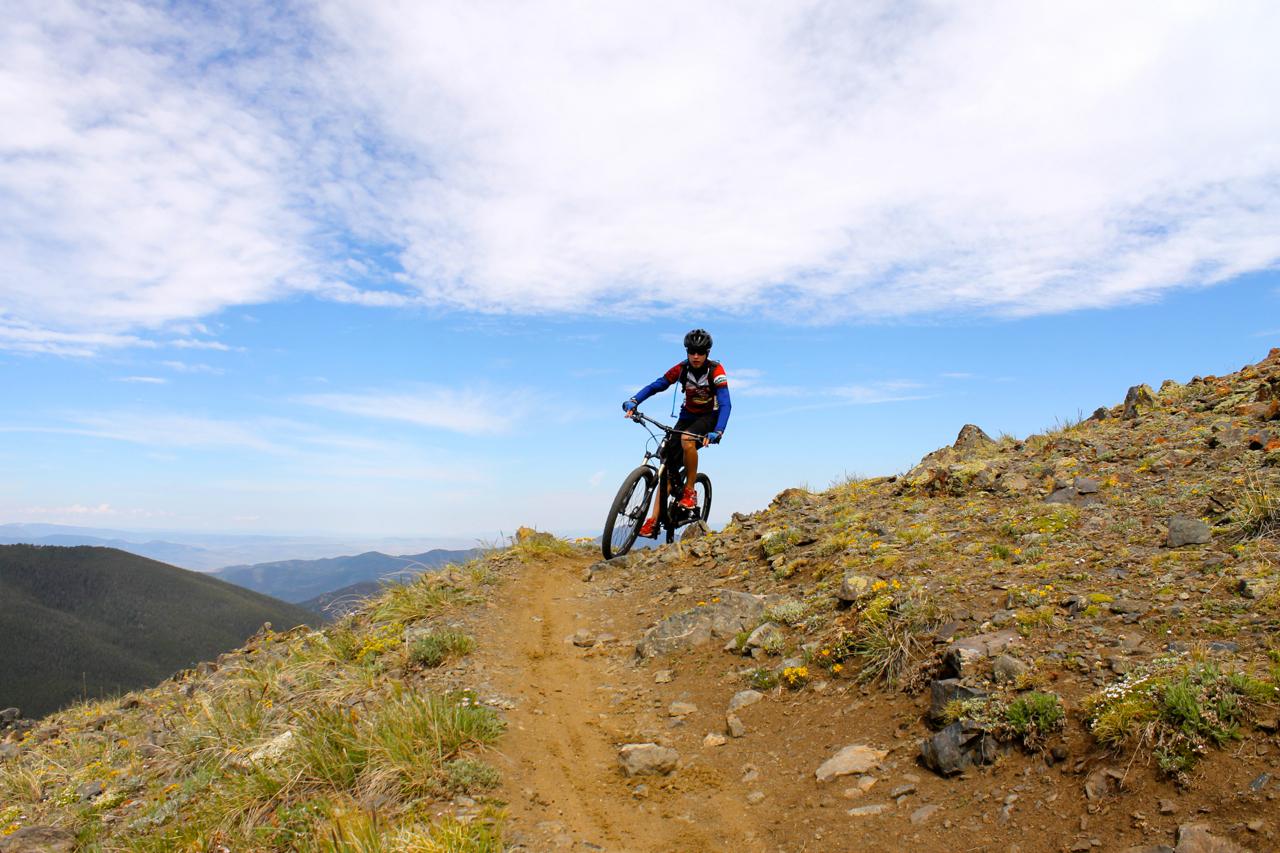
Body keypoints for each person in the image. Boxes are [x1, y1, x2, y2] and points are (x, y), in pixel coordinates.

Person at [622, 328, 731, 537]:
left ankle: (690, 491)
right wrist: (634, 400)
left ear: (707, 352)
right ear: (687, 352)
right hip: (687, 417)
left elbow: (726, 403)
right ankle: (653, 521)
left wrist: (719, 431)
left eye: (700, 352)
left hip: (709, 418)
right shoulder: (681, 369)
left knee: (687, 439)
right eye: (692, 352)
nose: (696, 356)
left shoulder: (716, 371)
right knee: (666, 467)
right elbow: (658, 385)